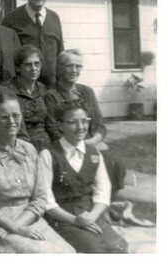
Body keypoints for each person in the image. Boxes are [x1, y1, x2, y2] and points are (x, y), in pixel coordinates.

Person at [0, 92, 75, 253]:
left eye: (16, 115)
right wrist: (12, 228)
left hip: (31, 221)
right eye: (4, 117)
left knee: (68, 252)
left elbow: (40, 198)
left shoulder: (29, 149)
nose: (12, 121)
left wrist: (18, 226)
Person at [39, 102, 128, 253]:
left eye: (84, 121)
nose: (80, 127)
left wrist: (92, 216)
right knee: (95, 251)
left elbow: (103, 191)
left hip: (90, 215)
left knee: (119, 246)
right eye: (73, 122)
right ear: (60, 125)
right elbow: (45, 200)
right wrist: (75, 220)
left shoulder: (94, 153)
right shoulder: (48, 155)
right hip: (62, 219)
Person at [45, 49, 129, 204]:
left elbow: (100, 125)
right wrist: (81, 145)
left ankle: (107, 205)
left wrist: (92, 142)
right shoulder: (51, 95)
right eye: (70, 66)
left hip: (91, 143)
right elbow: (53, 128)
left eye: (78, 66)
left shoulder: (87, 92)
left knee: (114, 163)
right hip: (68, 146)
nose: (75, 70)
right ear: (60, 67)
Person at [1, 0, 64, 87]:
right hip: (23, 86)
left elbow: (60, 52)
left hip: (51, 85)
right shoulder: (11, 18)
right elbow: (6, 56)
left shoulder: (54, 17)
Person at [3, 45, 55, 151]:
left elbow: (50, 123)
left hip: (46, 145)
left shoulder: (44, 90)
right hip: (18, 144)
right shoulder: (7, 89)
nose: (34, 69)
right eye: (28, 64)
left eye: (37, 64)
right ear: (18, 67)